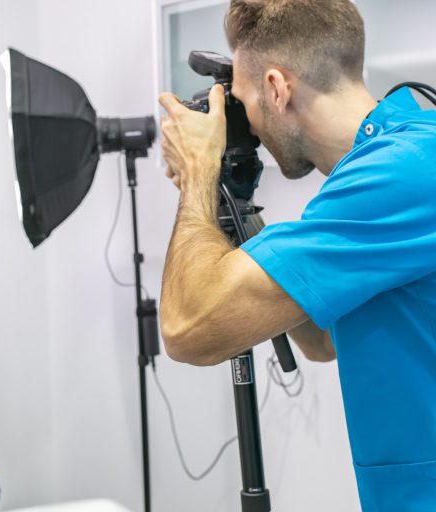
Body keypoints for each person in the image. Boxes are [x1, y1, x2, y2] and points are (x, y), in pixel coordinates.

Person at [157, 0, 436, 510]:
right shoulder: (397, 163)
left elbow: (186, 328)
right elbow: (321, 338)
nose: (249, 126)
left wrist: (198, 173)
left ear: (276, 88)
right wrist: (235, 201)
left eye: (243, 102)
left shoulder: (403, 174)